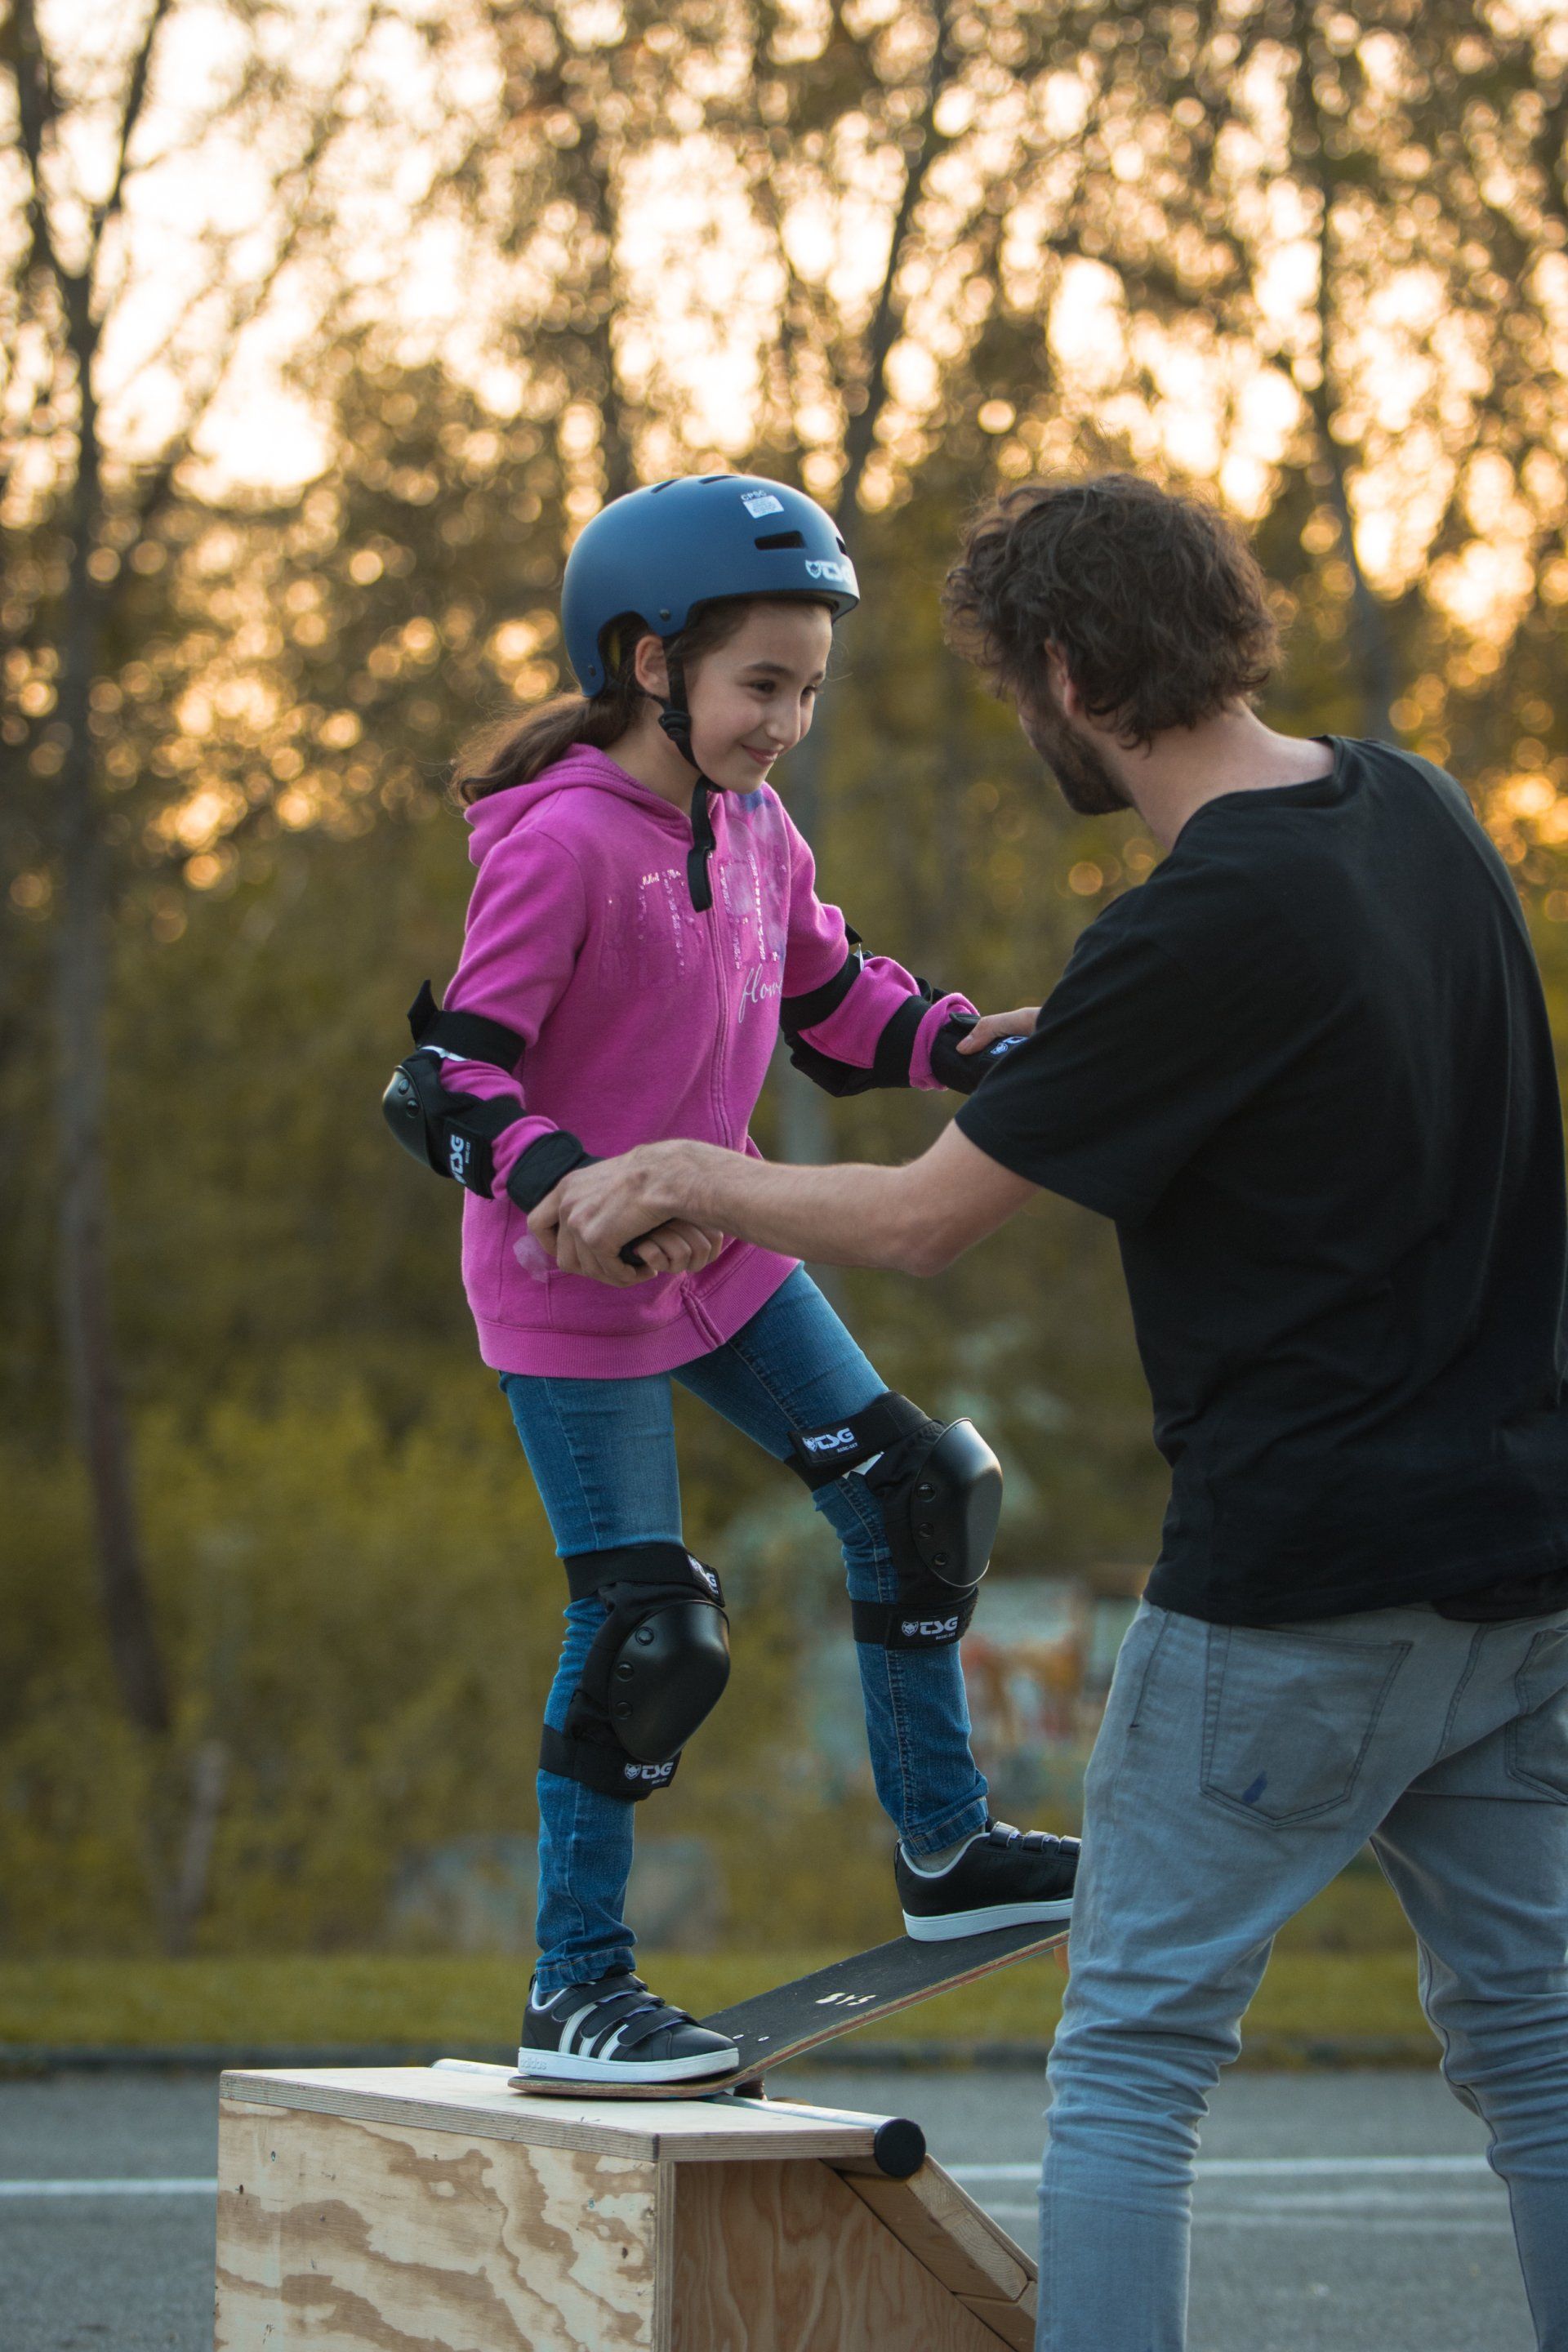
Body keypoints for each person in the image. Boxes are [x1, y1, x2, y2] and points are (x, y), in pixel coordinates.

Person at [530, 474, 1568, 2345]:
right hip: (1519, 1582)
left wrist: (699, 1169)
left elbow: (924, 1219)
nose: (1026, 725)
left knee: (1135, 2064)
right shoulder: (1415, 812)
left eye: (1020, 687)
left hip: (1296, 1596)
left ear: (1074, 671)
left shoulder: (1193, 928)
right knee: (1547, 2055)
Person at [382, 472, 1078, 2090]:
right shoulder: (560, 845)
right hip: (573, 1291)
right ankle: (578, 1991)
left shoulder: (757, 828)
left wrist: (966, 1042)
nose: (788, 721)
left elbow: (835, 1005)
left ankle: (944, 1852)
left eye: (809, 689)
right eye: (763, 683)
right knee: (649, 1631)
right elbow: (452, 1086)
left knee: (916, 1492)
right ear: (647, 661)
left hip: (736, 1259)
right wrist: (575, 1192)